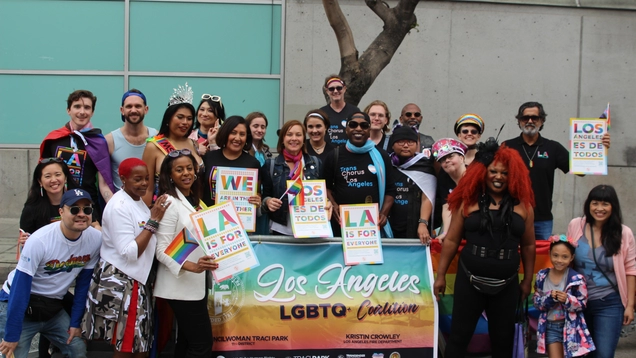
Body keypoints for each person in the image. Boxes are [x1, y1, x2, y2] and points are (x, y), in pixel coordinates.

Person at [433, 139, 536, 357]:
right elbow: (451, 241)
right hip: (469, 280)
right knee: (459, 337)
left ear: (513, 175)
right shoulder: (467, 202)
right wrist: (440, 275)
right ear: (483, 172)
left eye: (505, 173)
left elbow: (528, 245)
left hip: (507, 283)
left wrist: (527, 280)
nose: (498, 177)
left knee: (503, 340)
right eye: (493, 171)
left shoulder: (523, 206)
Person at [82, 158, 170, 357]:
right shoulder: (119, 206)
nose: (144, 184)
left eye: (146, 179)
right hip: (124, 281)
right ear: (123, 179)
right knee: (126, 346)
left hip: (138, 280)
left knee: (140, 346)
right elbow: (130, 252)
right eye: (137, 179)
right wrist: (153, 220)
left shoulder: (137, 200)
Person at [0, 189, 102, 358]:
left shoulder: (95, 239)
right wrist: (12, 334)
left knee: (76, 348)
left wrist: (75, 323)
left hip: (52, 306)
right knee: (13, 353)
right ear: (61, 212)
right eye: (74, 210)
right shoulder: (40, 240)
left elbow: (83, 285)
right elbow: (20, 288)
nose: (81, 214)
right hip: (19, 303)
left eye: (87, 209)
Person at [503, 102, 610, 240]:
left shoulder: (553, 148)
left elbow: (581, 170)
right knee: (510, 259)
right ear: (519, 121)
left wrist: (598, 147)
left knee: (541, 260)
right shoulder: (507, 146)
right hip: (511, 215)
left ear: (542, 121)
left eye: (535, 118)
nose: (530, 121)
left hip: (542, 219)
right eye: (525, 118)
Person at [11, 158, 80, 357]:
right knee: (50, 310)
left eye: (58, 174)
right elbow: (24, 248)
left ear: (65, 177)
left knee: (70, 307)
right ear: (40, 182)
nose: (54, 180)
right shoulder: (32, 209)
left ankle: (58, 345)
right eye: (47, 176)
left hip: (69, 269)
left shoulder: (77, 203)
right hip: (42, 274)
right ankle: (46, 351)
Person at [154, 149, 218, 357]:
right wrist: (193, 266)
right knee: (201, 344)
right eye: (179, 170)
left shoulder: (197, 201)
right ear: (169, 175)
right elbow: (160, 250)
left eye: (189, 168)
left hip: (194, 287)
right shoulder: (169, 202)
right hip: (179, 287)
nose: (186, 173)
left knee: (186, 341)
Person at [567, 185, 636, 358]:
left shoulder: (624, 233)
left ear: (613, 206)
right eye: (595, 203)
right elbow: (566, 258)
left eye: (605, 204)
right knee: (582, 354)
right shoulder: (576, 225)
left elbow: (631, 270)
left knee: (604, 354)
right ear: (588, 205)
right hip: (579, 303)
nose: (599, 208)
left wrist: (630, 306)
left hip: (609, 303)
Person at [40, 89, 116, 223]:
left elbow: (104, 184)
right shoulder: (53, 140)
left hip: (87, 208)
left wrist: (117, 208)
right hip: (57, 209)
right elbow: (41, 178)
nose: (82, 112)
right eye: (77, 106)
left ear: (92, 112)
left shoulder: (98, 142)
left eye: (87, 107)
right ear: (68, 110)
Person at [323, 112, 396, 238]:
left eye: (364, 125)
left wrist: (383, 214)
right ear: (347, 129)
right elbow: (325, 187)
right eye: (353, 125)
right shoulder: (334, 156)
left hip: (372, 226)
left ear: (369, 130)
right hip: (341, 226)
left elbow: (390, 189)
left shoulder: (382, 156)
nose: (358, 129)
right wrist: (333, 204)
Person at [533, 235, 595, 358]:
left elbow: (583, 303)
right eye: (555, 255)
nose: (559, 260)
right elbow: (536, 301)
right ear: (549, 254)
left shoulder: (577, 279)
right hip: (550, 326)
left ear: (572, 258)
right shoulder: (542, 276)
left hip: (572, 328)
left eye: (564, 257)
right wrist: (549, 298)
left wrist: (567, 299)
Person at [142, 83, 202, 206]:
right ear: (169, 118)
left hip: (195, 209)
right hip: (166, 210)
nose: (185, 122)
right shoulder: (153, 146)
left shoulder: (194, 144)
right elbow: (147, 187)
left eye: (189, 118)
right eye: (180, 117)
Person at [262, 120, 322, 236]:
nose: (294, 138)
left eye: (298, 135)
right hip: (281, 229)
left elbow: (323, 194)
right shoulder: (271, 165)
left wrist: (327, 203)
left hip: (311, 228)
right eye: (289, 134)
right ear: (283, 140)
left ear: (304, 140)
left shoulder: (315, 163)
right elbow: (264, 196)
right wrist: (268, 201)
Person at [386, 125, 436, 243]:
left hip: (415, 227)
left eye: (410, 142)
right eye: (401, 142)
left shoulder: (425, 166)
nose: (406, 145)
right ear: (392, 145)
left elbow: (427, 197)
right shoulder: (386, 164)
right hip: (388, 225)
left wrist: (423, 224)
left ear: (417, 145)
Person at [106, 89, 158, 191]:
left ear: (146, 109)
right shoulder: (110, 140)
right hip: (121, 204)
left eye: (138, 106)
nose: (133, 110)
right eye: (129, 106)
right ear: (122, 110)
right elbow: (104, 181)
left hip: (151, 203)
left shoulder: (157, 137)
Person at [431, 138, 467, 241]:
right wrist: (446, 232)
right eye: (442, 159)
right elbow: (447, 207)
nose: (447, 161)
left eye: (451, 156)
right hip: (457, 225)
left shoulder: (474, 176)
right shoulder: (443, 179)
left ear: (462, 158)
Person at [319, 75, 360, 146]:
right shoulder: (322, 112)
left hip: (349, 154)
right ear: (327, 91)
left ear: (344, 89)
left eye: (339, 88)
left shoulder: (355, 111)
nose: (335, 91)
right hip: (328, 155)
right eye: (331, 89)